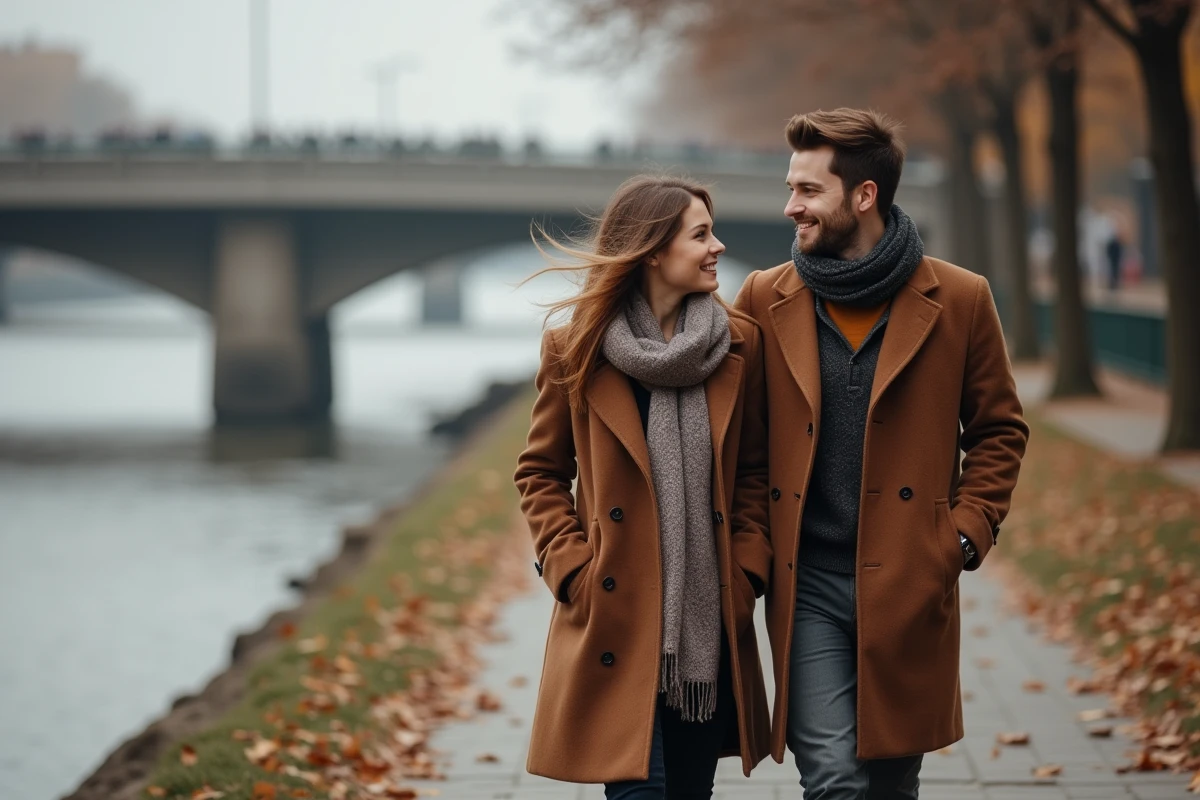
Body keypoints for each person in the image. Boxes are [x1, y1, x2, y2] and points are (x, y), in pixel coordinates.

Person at [734, 109, 1030, 799]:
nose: (790, 206)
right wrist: (752, 549)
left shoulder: (961, 299)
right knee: (834, 781)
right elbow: (744, 447)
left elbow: (999, 430)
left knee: (893, 785)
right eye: (790, 188)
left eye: (809, 190)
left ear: (864, 195)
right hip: (806, 583)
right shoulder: (763, 297)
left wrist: (960, 537)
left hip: (910, 580)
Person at [515, 174, 773, 798]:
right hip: (615, 616)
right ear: (654, 251)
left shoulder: (740, 344)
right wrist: (572, 570)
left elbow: (754, 474)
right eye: (701, 235)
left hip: (705, 627)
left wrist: (745, 574)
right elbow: (541, 472)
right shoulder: (575, 348)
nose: (718, 247)